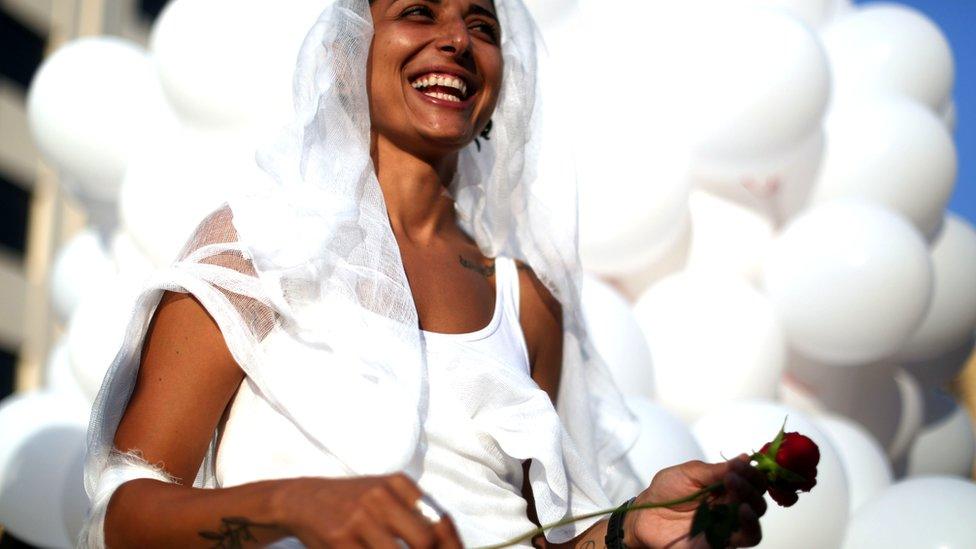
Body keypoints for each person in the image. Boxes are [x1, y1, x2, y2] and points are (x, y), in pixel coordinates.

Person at [81, 0, 769, 547]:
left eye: (482, 24)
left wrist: (632, 527)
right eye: (418, 12)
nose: (457, 41)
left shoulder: (526, 300)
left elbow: (527, 533)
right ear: (346, 52)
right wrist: (293, 503)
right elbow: (122, 516)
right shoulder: (259, 244)